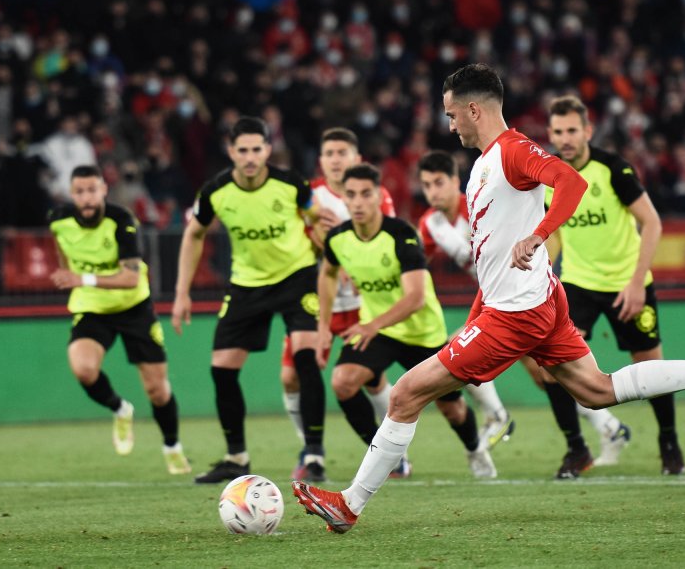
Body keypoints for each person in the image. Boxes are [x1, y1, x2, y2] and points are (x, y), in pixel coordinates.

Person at [293, 63, 685, 533]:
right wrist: (480, 308)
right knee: (597, 389)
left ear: (474, 111)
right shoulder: (487, 162)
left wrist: (540, 235)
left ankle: (350, 504)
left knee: (404, 394)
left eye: (451, 113)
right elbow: (492, 252)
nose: (449, 123)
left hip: (518, 312)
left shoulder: (512, 151)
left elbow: (572, 182)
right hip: (532, 300)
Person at [173, 116, 336, 484]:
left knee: (305, 358)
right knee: (222, 370)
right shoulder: (215, 192)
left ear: (267, 149)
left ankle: (314, 454)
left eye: (256, 149)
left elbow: (314, 216)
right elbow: (193, 235)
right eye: (242, 150)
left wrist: (322, 239)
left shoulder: (291, 184)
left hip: (297, 277)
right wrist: (182, 292)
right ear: (231, 152)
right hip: (246, 284)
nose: (249, 157)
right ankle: (237, 457)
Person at [320, 163, 495, 478]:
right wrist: (322, 327)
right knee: (343, 382)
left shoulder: (402, 236)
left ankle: (474, 450)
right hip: (381, 332)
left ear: (378, 196)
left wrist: (371, 325)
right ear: (343, 199)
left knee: (451, 409)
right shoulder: (337, 239)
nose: (358, 202)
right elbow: (328, 272)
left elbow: (415, 298)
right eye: (351, 195)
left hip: (422, 333)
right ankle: (386, 457)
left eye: (365, 194)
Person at [545, 96, 676, 477]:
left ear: (587, 131)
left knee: (652, 369)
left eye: (572, 130)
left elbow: (652, 223)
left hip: (627, 284)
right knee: (553, 362)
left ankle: (669, 441)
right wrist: (539, 267)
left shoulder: (613, 169)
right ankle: (576, 449)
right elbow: (555, 234)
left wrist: (637, 284)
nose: (565, 138)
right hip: (579, 284)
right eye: (558, 132)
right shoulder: (549, 174)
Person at [48, 164, 189, 474]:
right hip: (92, 308)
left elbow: (129, 278)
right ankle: (120, 408)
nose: (86, 197)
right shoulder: (58, 220)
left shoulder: (122, 221)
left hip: (134, 307)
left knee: (157, 389)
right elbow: (63, 257)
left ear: (103, 190)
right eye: (80, 191)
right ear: (72, 194)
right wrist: (69, 277)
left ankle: (172, 446)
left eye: (92, 190)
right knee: (83, 369)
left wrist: (81, 278)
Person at [281, 128, 400, 480]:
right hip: (317, 304)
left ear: (357, 159)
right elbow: (300, 242)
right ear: (321, 160)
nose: (335, 159)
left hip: (361, 305)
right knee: (291, 377)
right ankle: (310, 448)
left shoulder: (375, 197)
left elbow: (385, 240)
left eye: (342, 152)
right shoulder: (309, 197)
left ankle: (392, 452)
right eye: (329, 153)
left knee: (372, 380)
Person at [416, 150, 516, 449]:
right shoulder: (431, 224)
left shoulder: (477, 208)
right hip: (495, 295)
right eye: (426, 185)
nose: (433, 191)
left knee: (458, 349)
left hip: (516, 288)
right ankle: (610, 428)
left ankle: (497, 415)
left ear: (455, 181)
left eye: (438, 182)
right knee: (547, 373)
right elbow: (417, 264)